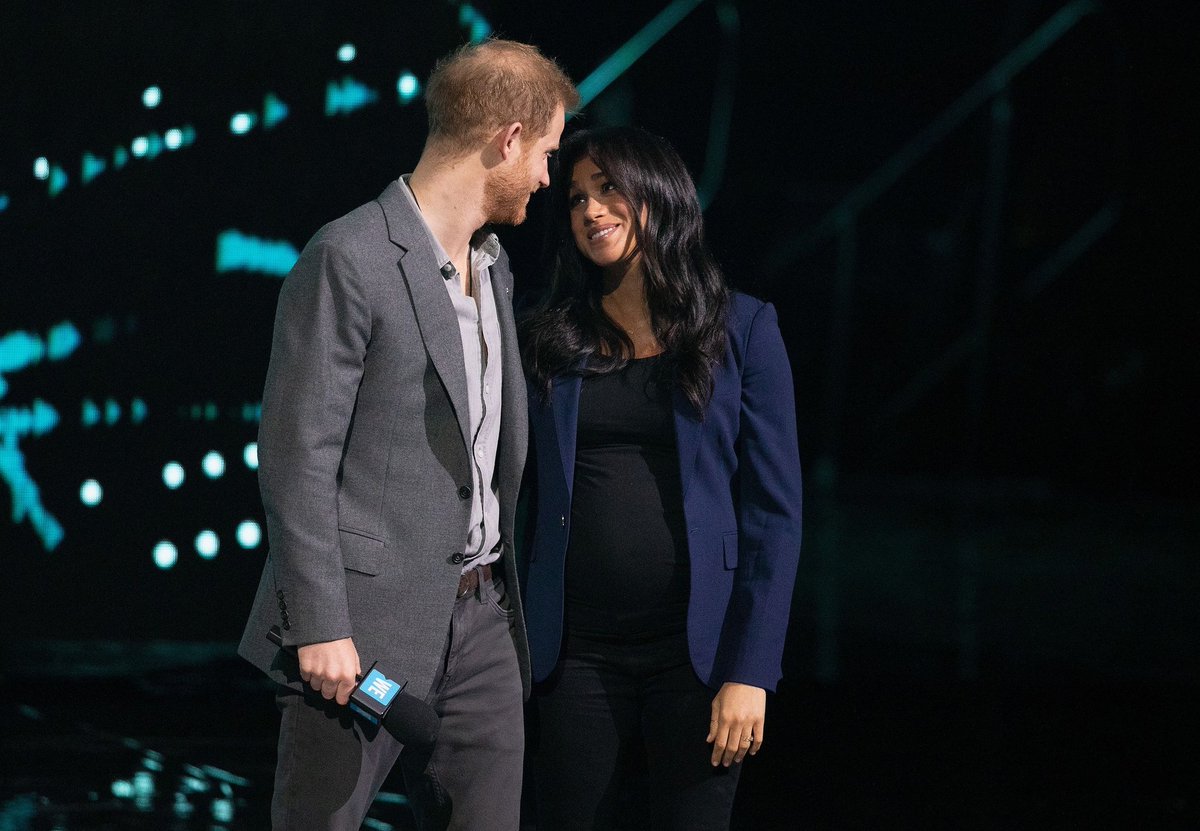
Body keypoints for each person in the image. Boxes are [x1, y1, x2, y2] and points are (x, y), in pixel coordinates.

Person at [237, 39, 577, 830]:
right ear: (509, 139)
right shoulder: (349, 257)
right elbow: (297, 455)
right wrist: (321, 622)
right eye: (548, 154)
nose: (546, 179)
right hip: (360, 629)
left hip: (485, 617)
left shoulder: (494, 267)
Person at [519, 126, 803, 829]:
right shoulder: (549, 338)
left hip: (699, 657)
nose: (590, 210)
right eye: (578, 198)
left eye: (609, 188)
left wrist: (751, 670)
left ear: (660, 194)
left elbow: (775, 516)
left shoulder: (742, 329)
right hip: (575, 654)